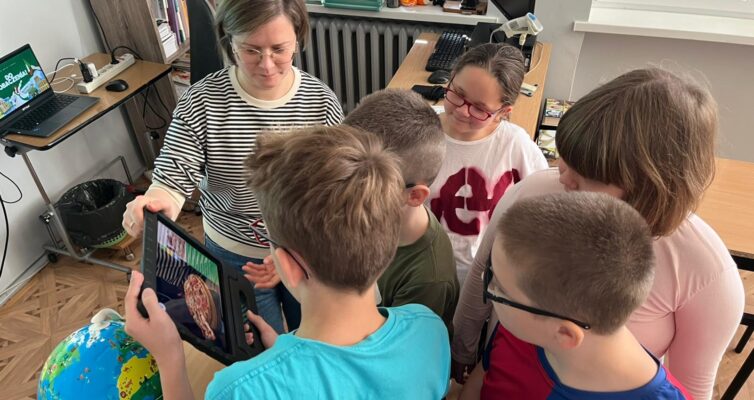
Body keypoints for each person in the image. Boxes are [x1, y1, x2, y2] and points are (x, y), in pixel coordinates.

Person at [451, 68, 745, 399]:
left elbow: (691, 387)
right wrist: (463, 350)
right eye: (565, 158)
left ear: (650, 188)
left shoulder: (706, 273)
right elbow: (482, 274)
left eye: (587, 174)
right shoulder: (535, 191)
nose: (563, 176)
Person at [124, 125, 451, 399]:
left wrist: (170, 359)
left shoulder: (240, 390)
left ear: (288, 266)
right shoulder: (428, 328)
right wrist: (282, 351)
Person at [121, 0, 344, 334]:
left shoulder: (321, 102)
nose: (266, 65)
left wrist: (296, 253)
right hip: (233, 254)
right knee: (257, 346)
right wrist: (153, 204)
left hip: (304, 252)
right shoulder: (201, 100)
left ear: (298, 38)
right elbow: (172, 176)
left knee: (312, 338)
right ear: (229, 40)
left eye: (279, 49)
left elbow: (335, 193)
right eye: (251, 50)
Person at [245, 89, 460, 336]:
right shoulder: (359, 220)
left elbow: (387, 351)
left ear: (414, 196)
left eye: (367, 179)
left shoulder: (429, 280)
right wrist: (301, 263)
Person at [460, 192, 690, 399]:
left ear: (565, 334)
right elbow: (480, 382)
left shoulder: (528, 322)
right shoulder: (527, 325)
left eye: (499, 290)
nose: (487, 284)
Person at [427, 43, 548, 286]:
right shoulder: (418, 132)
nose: (462, 111)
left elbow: (545, 210)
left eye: (479, 108)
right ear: (451, 78)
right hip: (424, 275)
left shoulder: (515, 145)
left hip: (481, 278)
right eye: (457, 94)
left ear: (503, 112)